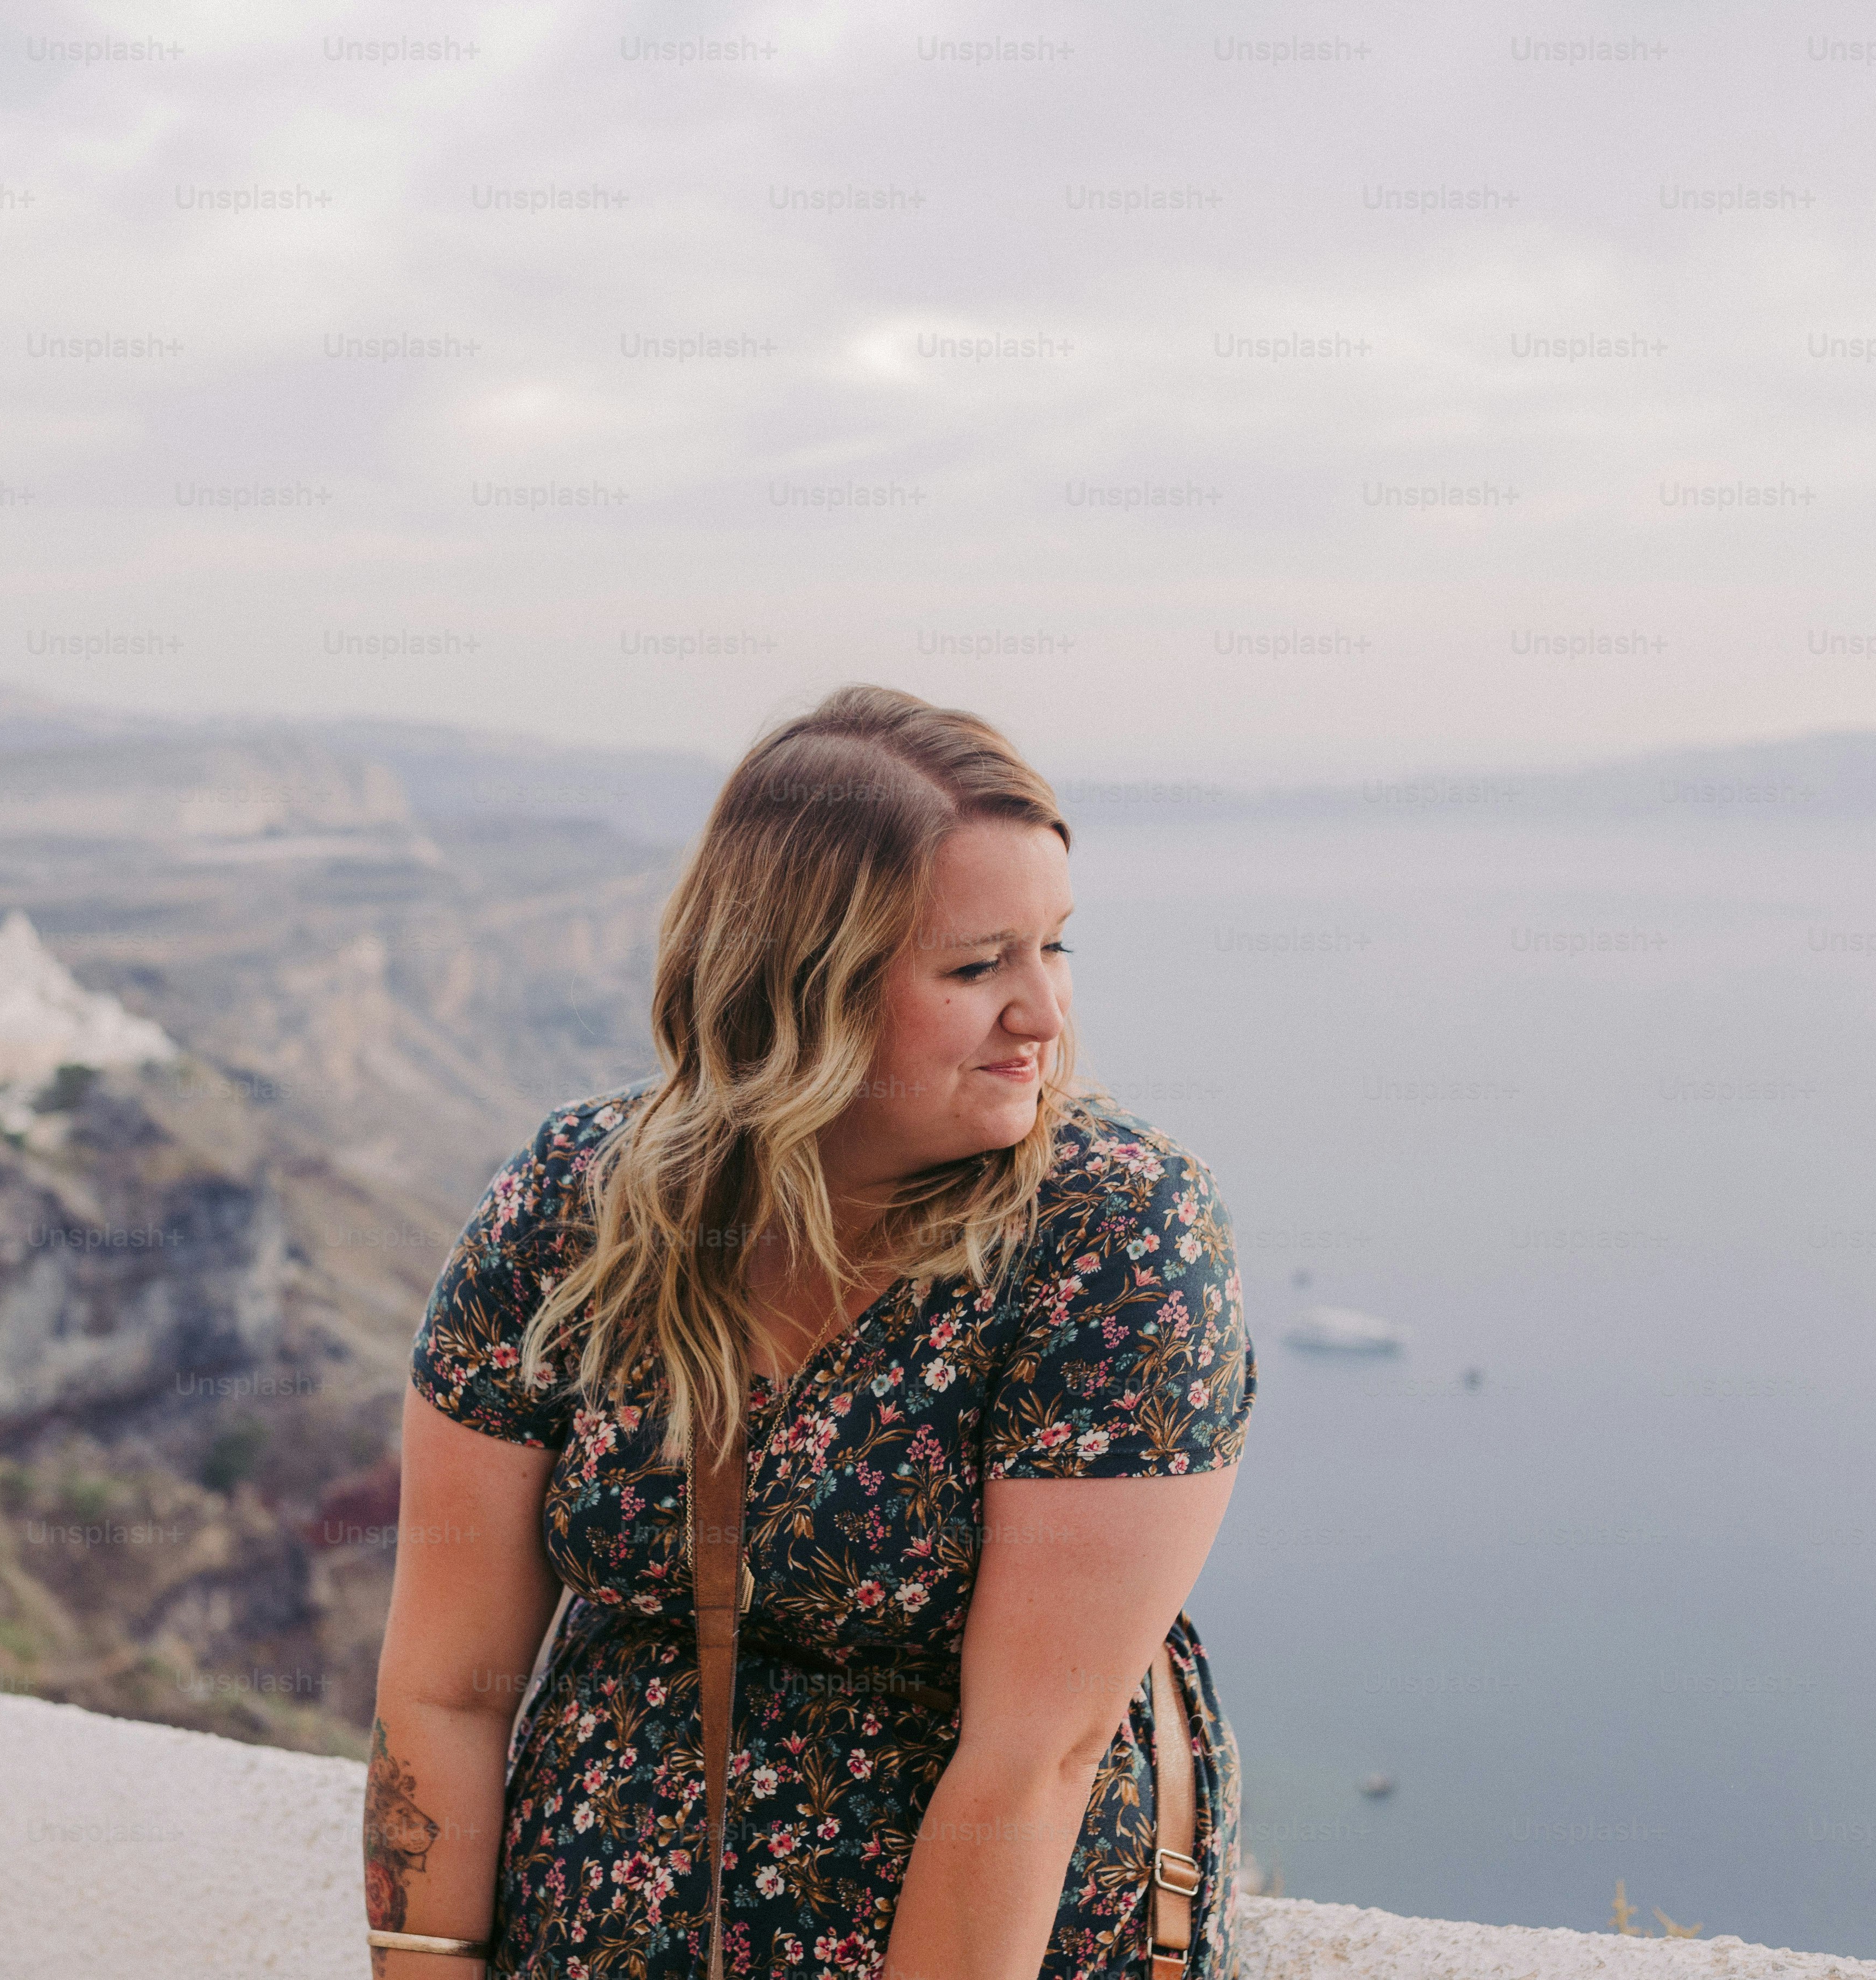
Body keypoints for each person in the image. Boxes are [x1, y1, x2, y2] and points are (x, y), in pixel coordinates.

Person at [367, 684, 1255, 1980]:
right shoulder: (575, 1204)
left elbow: (1034, 1757)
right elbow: (444, 1689)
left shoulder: (1111, 1238)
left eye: (1055, 948)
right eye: (977, 967)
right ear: (802, 983)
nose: (1044, 1014)